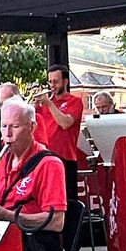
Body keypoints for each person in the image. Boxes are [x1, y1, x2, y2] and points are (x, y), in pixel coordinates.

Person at [0, 97, 67, 251]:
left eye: (15, 126)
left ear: (32, 127)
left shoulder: (49, 163)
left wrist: (8, 216)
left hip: (38, 245)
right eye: (4, 127)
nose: (8, 134)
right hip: (8, 238)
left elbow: (57, 222)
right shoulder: (3, 161)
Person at [33, 64, 83, 206]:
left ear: (65, 82)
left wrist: (49, 104)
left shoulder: (75, 101)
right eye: (50, 82)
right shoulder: (46, 104)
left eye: (56, 81)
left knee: (67, 201)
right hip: (45, 157)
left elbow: (65, 123)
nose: (52, 85)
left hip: (65, 158)